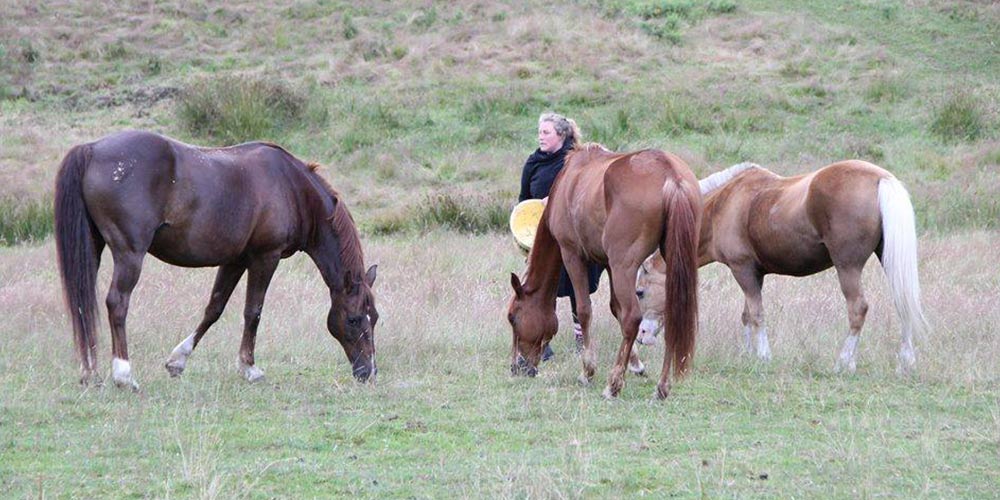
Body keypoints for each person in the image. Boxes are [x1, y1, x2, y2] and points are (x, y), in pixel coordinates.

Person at [518, 112, 604, 361]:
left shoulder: (576, 161)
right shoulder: (533, 163)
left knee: (579, 285)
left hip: (575, 236)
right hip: (545, 240)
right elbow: (523, 200)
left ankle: (581, 336)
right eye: (539, 131)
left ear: (561, 135)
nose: (540, 137)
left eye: (546, 132)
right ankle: (542, 340)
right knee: (544, 289)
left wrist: (554, 201)